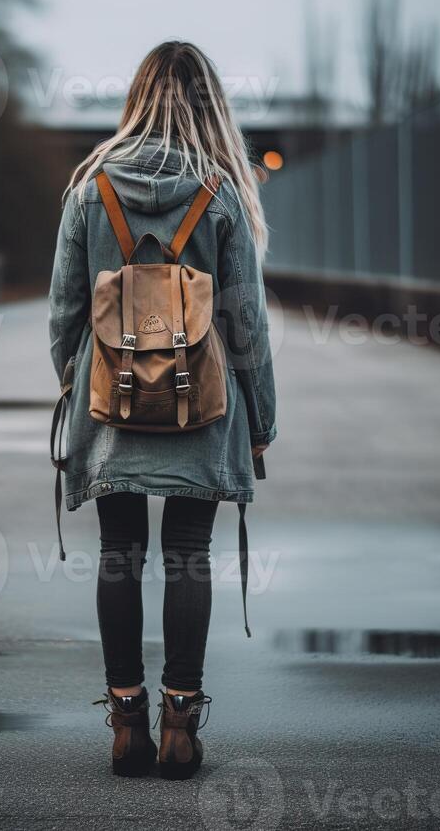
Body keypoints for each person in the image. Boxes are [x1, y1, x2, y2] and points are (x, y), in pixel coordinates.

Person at [49, 40, 276, 780]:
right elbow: (246, 326)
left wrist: (83, 381)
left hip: (109, 404)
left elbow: (65, 314)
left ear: (136, 98)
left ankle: (125, 724)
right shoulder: (222, 194)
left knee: (120, 552)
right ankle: (180, 724)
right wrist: (261, 421)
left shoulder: (90, 190)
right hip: (201, 407)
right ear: (211, 106)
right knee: (187, 552)